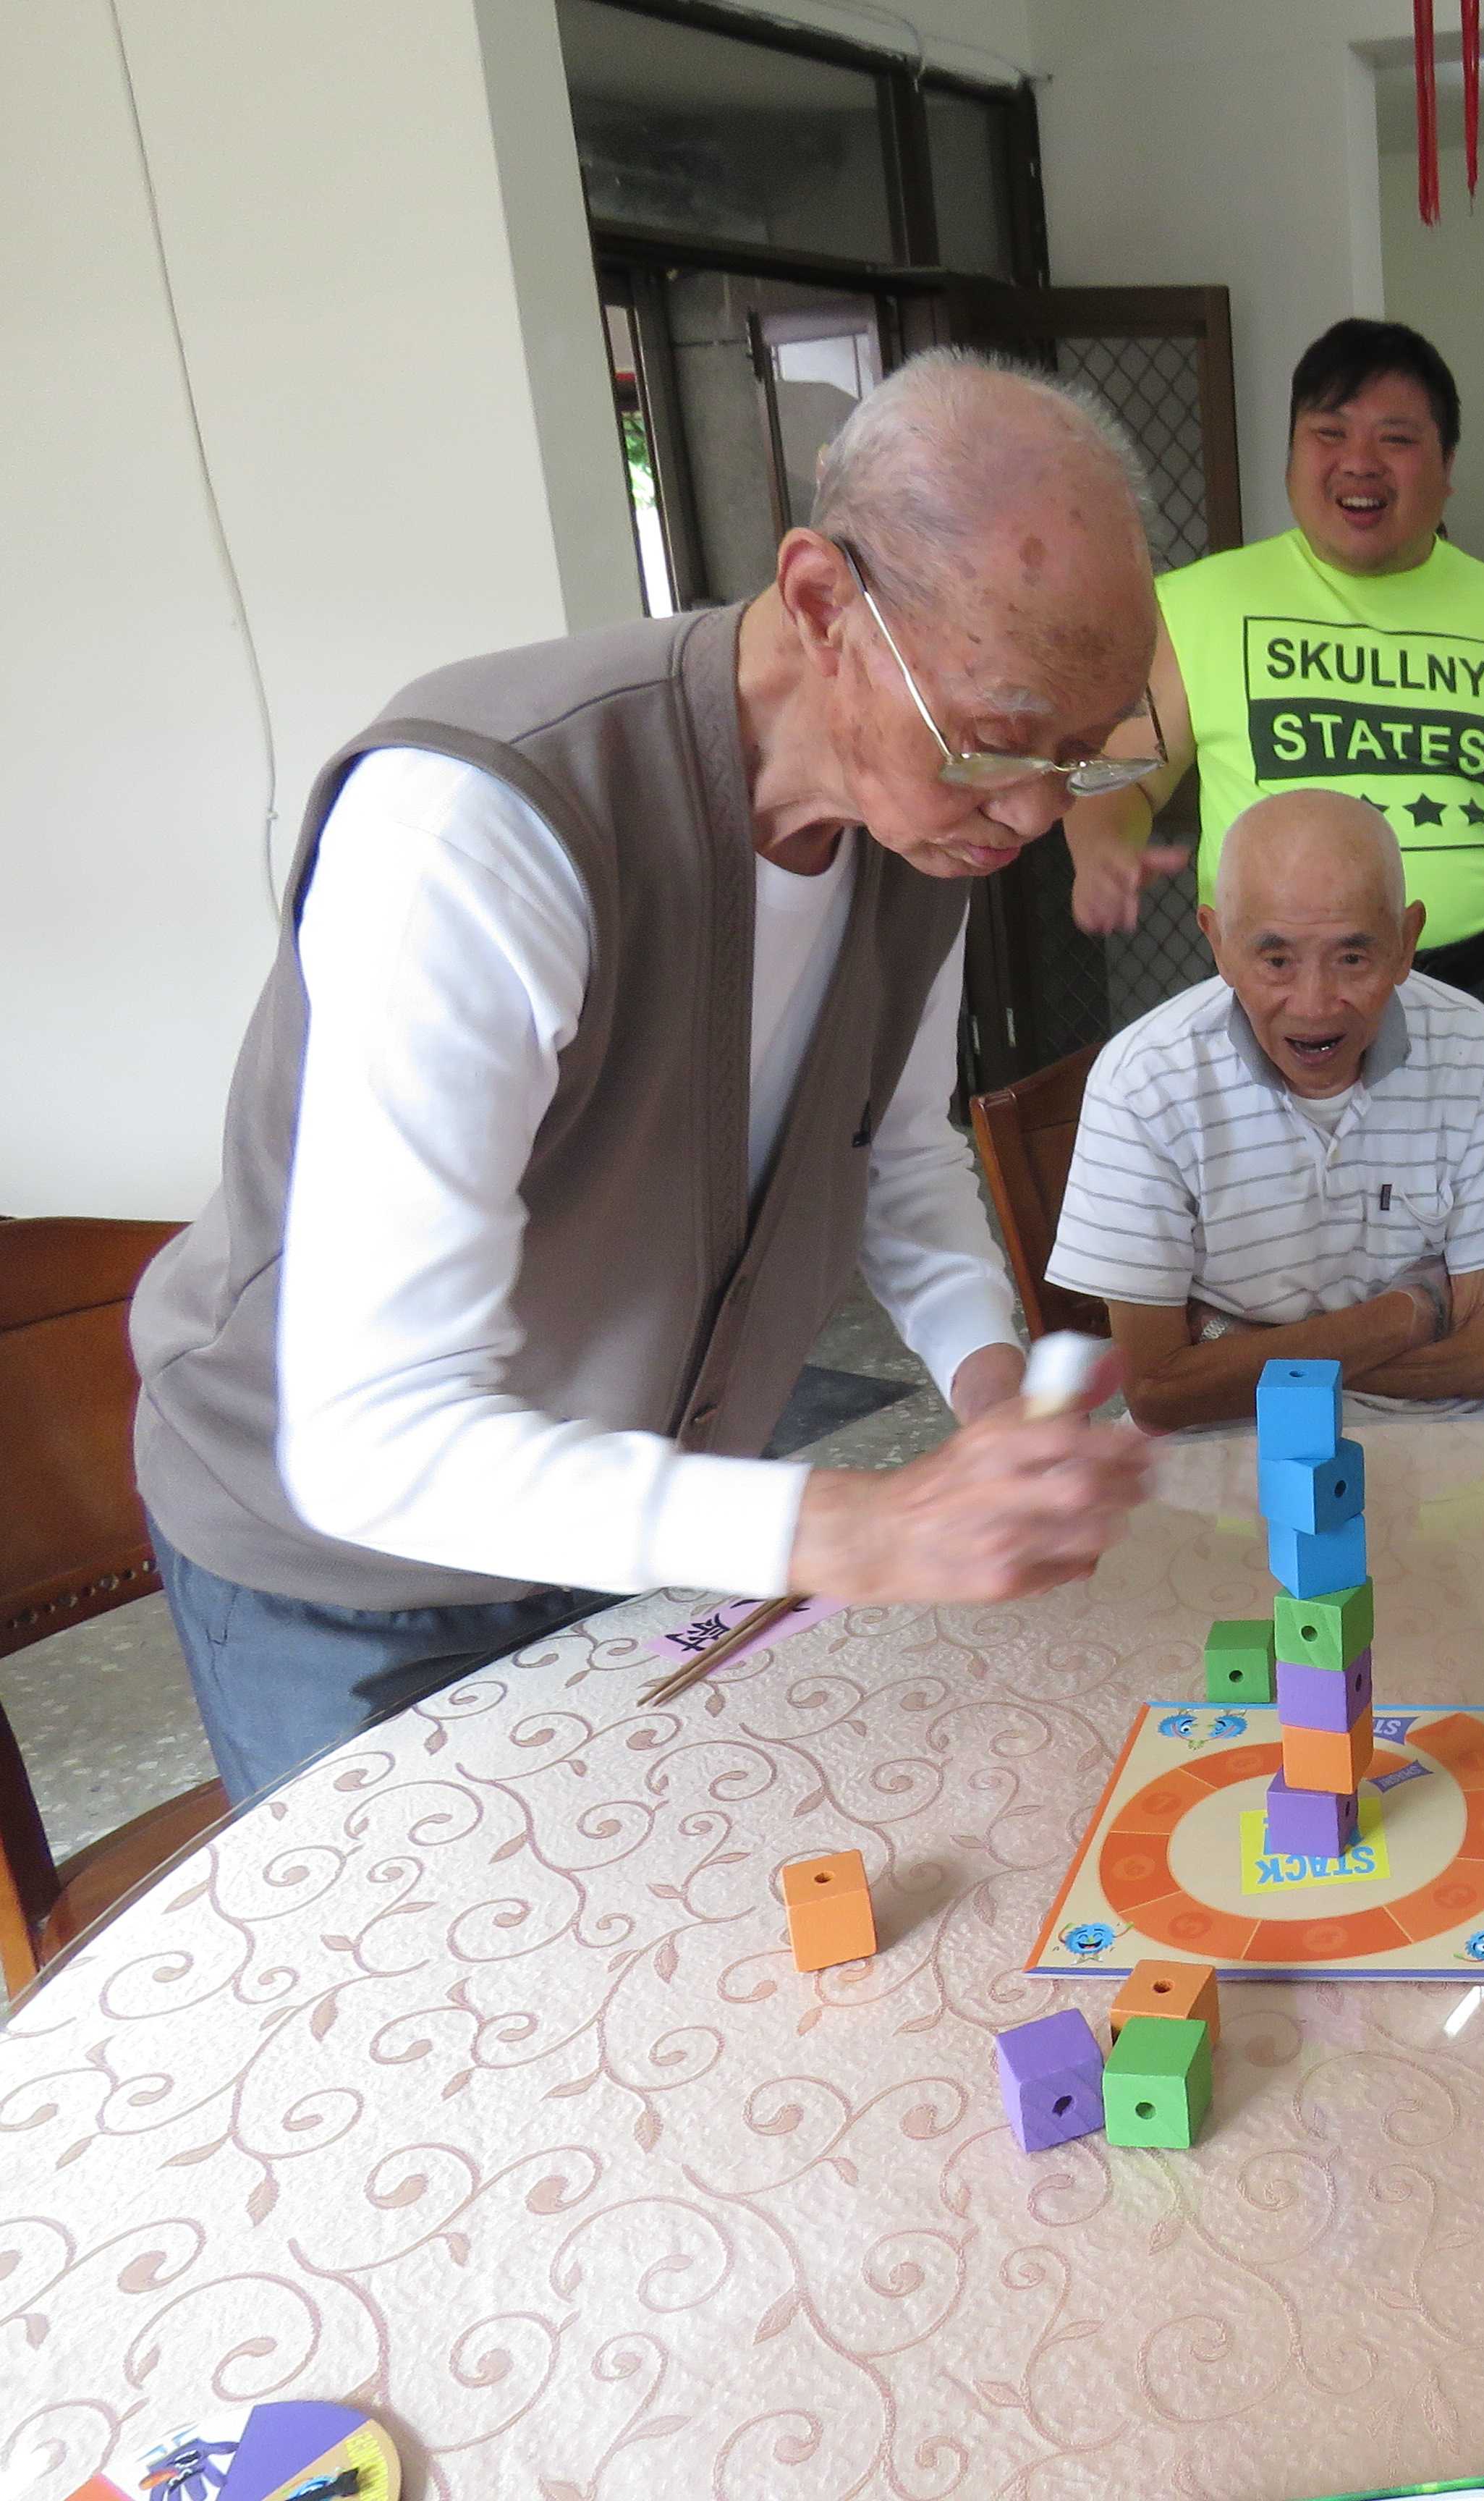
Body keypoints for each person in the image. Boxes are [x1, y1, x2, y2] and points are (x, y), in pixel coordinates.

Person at [126, 353, 1164, 1808]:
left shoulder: (921, 823)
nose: (1040, 812)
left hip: (636, 1516)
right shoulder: (483, 827)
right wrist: (857, 1529)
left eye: (1085, 749)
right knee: (435, 2002)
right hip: (348, 1568)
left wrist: (995, 1395)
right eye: (997, 739)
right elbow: (373, 1443)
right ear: (821, 607)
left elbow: (896, 1151)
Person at [1057, 317, 1484, 1120]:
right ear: (1292, 455)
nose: (1358, 463)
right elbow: (1115, 778)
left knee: (1481, 1242)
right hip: (1283, 1000)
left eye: (1396, 438)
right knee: (1275, 1239)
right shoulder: (1199, 605)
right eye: (1328, 433)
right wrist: (1102, 850)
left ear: (1447, 466)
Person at [1048, 787, 1484, 1434]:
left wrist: (1228, 1342)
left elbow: (1483, 1360)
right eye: (1276, 960)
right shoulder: (1144, 1080)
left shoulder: (1478, 1050)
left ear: (1407, 941)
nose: (1314, 1004)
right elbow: (1161, 1393)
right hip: (1224, 1444)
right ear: (1217, 943)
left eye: (1353, 958)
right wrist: (1409, 1314)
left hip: (1444, 1434)